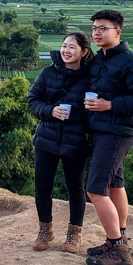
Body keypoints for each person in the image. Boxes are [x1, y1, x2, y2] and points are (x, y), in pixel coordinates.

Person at [82, 9, 133, 265]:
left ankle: (119, 251)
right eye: (94, 29)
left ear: (118, 32)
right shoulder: (99, 60)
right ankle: (118, 238)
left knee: (95, 189)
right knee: (115, 184)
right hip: (104, 131)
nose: (97, 33)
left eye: (103, 28)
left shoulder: (131, 62)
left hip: (115, 133)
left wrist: (109, 105)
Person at [27, 32, 94, 253]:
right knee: (42, 187)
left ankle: (75, 233)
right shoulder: (48, 73)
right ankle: (45, 230)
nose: (66, 50)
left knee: (75, 189)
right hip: (46, 138)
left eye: (72, 47)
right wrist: (50, 110)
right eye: (64, 46)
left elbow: (94, 111)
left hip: (75, 141)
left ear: (84, 52)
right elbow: (33, 99)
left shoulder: (90, 77)